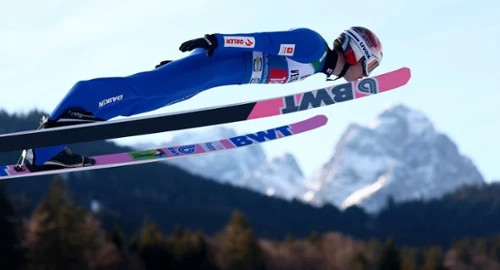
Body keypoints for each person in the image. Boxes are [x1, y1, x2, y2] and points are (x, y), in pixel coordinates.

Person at [22, 26, 383, 171]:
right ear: (356, 53)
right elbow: (266, 41)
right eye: (368, 67)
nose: (365, 75)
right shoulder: (312, 46)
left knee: (139, 101)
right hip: (212, 66)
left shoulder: (317, 65)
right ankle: (43, 144)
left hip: (209, 77)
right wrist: (217, 40)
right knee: (133, 93)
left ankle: (52, 148)